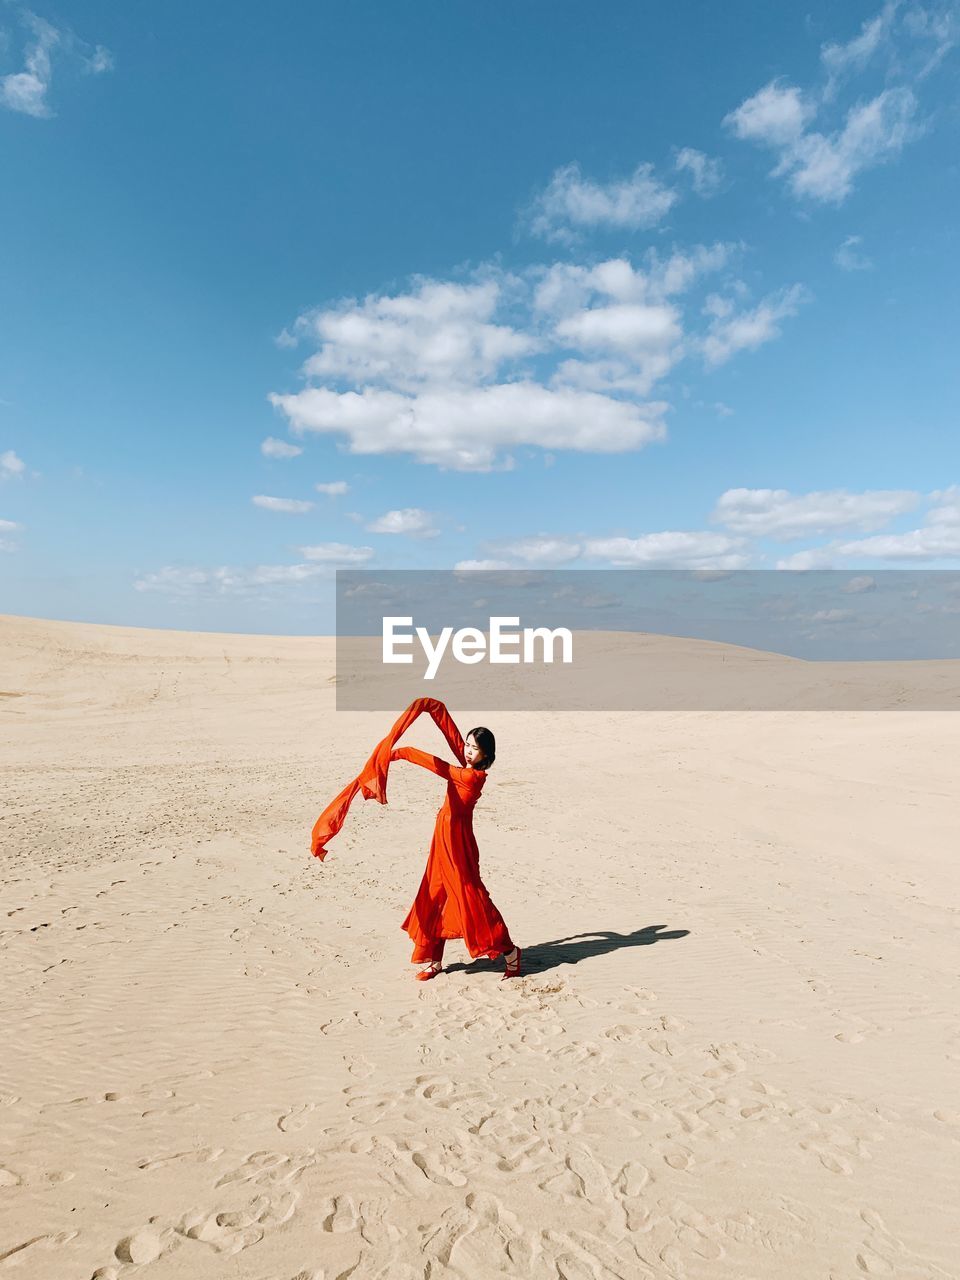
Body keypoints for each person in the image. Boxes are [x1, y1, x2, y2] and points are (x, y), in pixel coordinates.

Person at [391, 715, 522, 982]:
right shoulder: (465, 766)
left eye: (474, 748)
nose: (467, 750)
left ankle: (510, 953)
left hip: (458, 843)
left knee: (472, 899)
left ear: (486, 754)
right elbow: (453, 739)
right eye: (466, 744)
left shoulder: (472, 776)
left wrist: (403, 752)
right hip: (442, 839)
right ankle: (434, 961)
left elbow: (437, 766)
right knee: (434, 895)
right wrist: (433, 709)